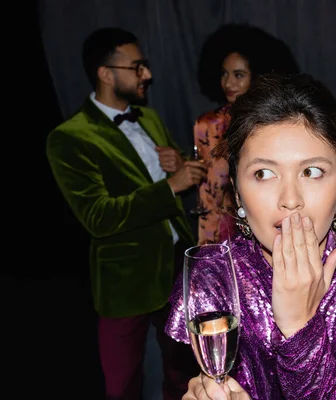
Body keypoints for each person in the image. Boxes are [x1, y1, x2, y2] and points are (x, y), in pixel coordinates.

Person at [165, 73, 336, 400]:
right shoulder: (213, 276)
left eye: (312, 172)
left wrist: (300, 328)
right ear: (237, 192)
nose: (290, 198)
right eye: (264, 174)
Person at [45, 27, 203, 400]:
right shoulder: (70, 137)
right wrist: (171, 186)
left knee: (183, 376)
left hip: (175, 267)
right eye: (137, 67)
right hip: (125, 280)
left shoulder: (148, 117)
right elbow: (98, 216)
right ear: (105, 73)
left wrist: (176, 164)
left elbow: (166, 177)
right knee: (123, 385)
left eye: (144, 66)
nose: (147, 74)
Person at [192, 23, 299, 244]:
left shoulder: (275, 125)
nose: (228, 83)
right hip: (214, 236)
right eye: (224, 74)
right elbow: (207, 191)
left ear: (259, 76)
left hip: (263, 233)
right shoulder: (207, 125)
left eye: (238, 75)